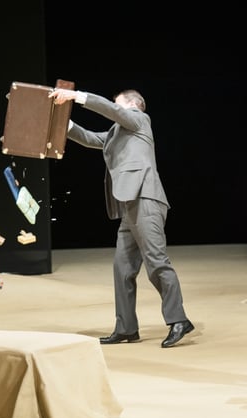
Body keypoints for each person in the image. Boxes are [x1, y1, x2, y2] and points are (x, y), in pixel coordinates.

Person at [49, 87, 194, 348]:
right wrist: (61, 121)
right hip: (129, 205)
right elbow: (89, 137)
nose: (115, 108)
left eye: (117, 104)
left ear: (131, 104)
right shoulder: (118, 132)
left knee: (156, 262)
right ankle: (126, 327)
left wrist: (77, 96)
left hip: (146, 198)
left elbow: (112, 110)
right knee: (122, 268)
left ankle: (179, 320)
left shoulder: (140, 120)